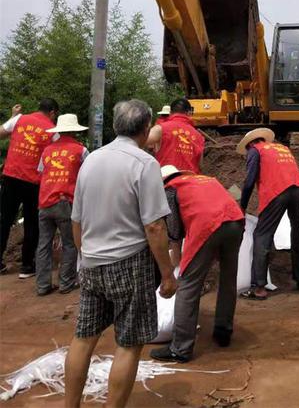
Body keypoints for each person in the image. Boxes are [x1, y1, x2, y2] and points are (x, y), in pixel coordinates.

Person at [64, 100, 177, 408]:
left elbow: (77, 220)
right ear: (146, 128)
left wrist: (84, 258)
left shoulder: (91, 160)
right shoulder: (144, 163)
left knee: (83, 337)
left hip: (91, 262)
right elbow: (155, 227)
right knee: (129, 344)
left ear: (115, 126)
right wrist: (167, 275)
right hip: (129, 264)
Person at [151, 165, 245, 363]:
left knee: (188, 285)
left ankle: (180, 348)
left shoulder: (171, 188)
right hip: (236, 221)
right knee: (228, 278)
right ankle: (223, 331)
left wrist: (175, 263)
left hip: (208, 226)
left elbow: (174, 230)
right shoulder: (207, 179)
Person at [237, 128, 299, 300]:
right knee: (297, 231)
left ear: (250, 144)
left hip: (278, 192)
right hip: (298, 190)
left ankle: (259, 287)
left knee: (262, 234)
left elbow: (249, 181)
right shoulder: (282, 148)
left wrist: (242, 206)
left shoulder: (255, 150)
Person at [0, 98, 59, 277]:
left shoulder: (20, 119)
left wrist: (12, 118)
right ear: (53, 113)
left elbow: (1, 133)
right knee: (32, 223)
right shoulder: (52, 130)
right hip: (34, 182)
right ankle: (27, 266)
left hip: (11, 176)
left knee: (4, 220)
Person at [36, 113, 89, 296]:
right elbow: (88, 174)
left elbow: (41, 172)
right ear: (75, 131)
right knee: (70, 243)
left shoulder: (47, 150)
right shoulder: (80, 150)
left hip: (44, 202)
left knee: (43, 244)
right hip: (65, 202)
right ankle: (66, 283)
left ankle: (42, 286)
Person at [146, 98, 205, 173]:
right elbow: (200, 165)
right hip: (190, 181)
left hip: (166, 181)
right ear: (189, 113)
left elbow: (139, 140)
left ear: (170, 112)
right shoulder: (199, 136)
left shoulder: (160, 128)